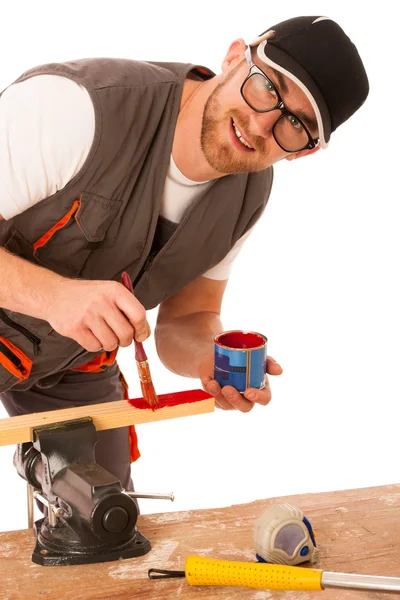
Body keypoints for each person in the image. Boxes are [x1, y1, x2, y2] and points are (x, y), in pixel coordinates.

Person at [0, 16, 369, 490]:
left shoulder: (248, 194)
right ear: (236, 56)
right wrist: (55, 298)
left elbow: (189, 316)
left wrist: (211, 364)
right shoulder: (75, 108)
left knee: (100, 517)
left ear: (305, 151)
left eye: (294, 124)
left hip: (68, 363)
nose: (260, 124)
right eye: (265, 87)